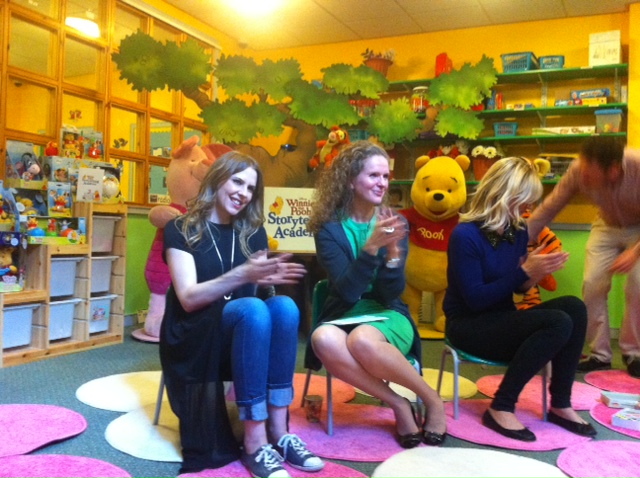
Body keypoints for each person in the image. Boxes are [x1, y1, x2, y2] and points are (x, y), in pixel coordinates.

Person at [160, 151, 324, 478]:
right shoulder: (180, 228)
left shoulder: (253, 232)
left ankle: (279, 432)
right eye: (237, 181)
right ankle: (254, 441)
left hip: (243, 331)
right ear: (217, 179)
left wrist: (264, 282)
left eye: (251, 188)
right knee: (251, 309)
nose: (243, 193)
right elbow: (188, 299)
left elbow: (255, 292)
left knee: (284, 307)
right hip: (194, 334)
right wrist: (243, 276)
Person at [305, 141, 447, 448]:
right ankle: (398, 403)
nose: (382, 183)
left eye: (385, 176)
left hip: (388, 312)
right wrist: (371, 248)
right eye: (373, 175)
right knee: (322, 338)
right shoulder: (328, 228)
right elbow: (346, 291)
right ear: (350, 180)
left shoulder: (396, 222)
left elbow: (390, 293)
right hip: (345, 311)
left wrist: (393, 256)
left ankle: (431, 399)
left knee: (362, 340)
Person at [444, 157, 596, 442]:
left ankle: (561, 403)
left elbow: (520, 289)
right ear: (503, 194)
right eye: (525, 198)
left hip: (502, 318)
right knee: (558, 322)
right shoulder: (466, 235)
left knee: (574, 308)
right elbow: (476, 300)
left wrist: (535, 272)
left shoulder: (517, 231)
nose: (528, 206)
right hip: (468, 326)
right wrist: (524, 272)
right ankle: (501, 406)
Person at [528, 137, 640, 377]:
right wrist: (518, 243)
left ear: (613, 170)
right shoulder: (579, 169)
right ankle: (600, 355)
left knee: (638, 285)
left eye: (590, 171)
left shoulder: (637, 166)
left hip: (638, 230)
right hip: (605, 225)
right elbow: (550, 206)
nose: (584, 175)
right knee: (592, 284)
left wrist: (635, 252)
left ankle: (633, 353)